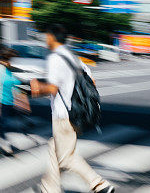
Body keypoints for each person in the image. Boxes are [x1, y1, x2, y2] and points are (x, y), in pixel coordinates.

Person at [30, 24, 114, 193]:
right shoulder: (73, 58)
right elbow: (92, 82)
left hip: (64, 115)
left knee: (66, 158)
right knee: (55, 148)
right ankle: (50, 188)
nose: (46, 39)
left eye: (46, 36)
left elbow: (52, 89)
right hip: (78, 113)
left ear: (52, 38)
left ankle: (99, 185)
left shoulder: (55, 58)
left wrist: (37, 89)